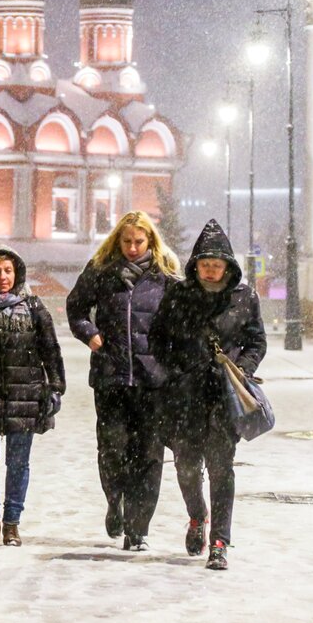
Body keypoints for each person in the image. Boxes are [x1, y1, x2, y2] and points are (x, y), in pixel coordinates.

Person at [148, 219, 266, 571]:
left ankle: (219, 542)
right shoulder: (179, 296)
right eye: (205, 264)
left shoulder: (244, 298)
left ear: (228, 267)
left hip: (223, 396)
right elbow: (157, 338)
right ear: (195, 265)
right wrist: (177, 367)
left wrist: (241, 368)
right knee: (186, 467)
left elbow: (256, 341)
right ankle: (197, 516)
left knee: (221, 468)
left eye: (218, 265)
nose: (211, 271)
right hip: (183, 396)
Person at [66, 211, 182, 551]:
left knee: (148, 455)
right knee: (113, 449)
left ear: (150, 242)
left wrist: (172, 355)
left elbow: (182, 318)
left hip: (152, 380)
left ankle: (138, 528)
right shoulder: (102, 271)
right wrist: (90, 334)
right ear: (118, 240)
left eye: (139, 241)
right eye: (127, 241)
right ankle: (114, 498)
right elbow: (75, 308)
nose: (133, 248)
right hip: (111, 376)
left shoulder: (165, 276)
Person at [0, 247, 66, 549]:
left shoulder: (34, 307)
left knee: (18, 462)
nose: (3, 277)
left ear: (17, 273)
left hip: (25, 394)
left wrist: (55, 386)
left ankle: (12, 523)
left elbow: (50, 348)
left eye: (8, 270)